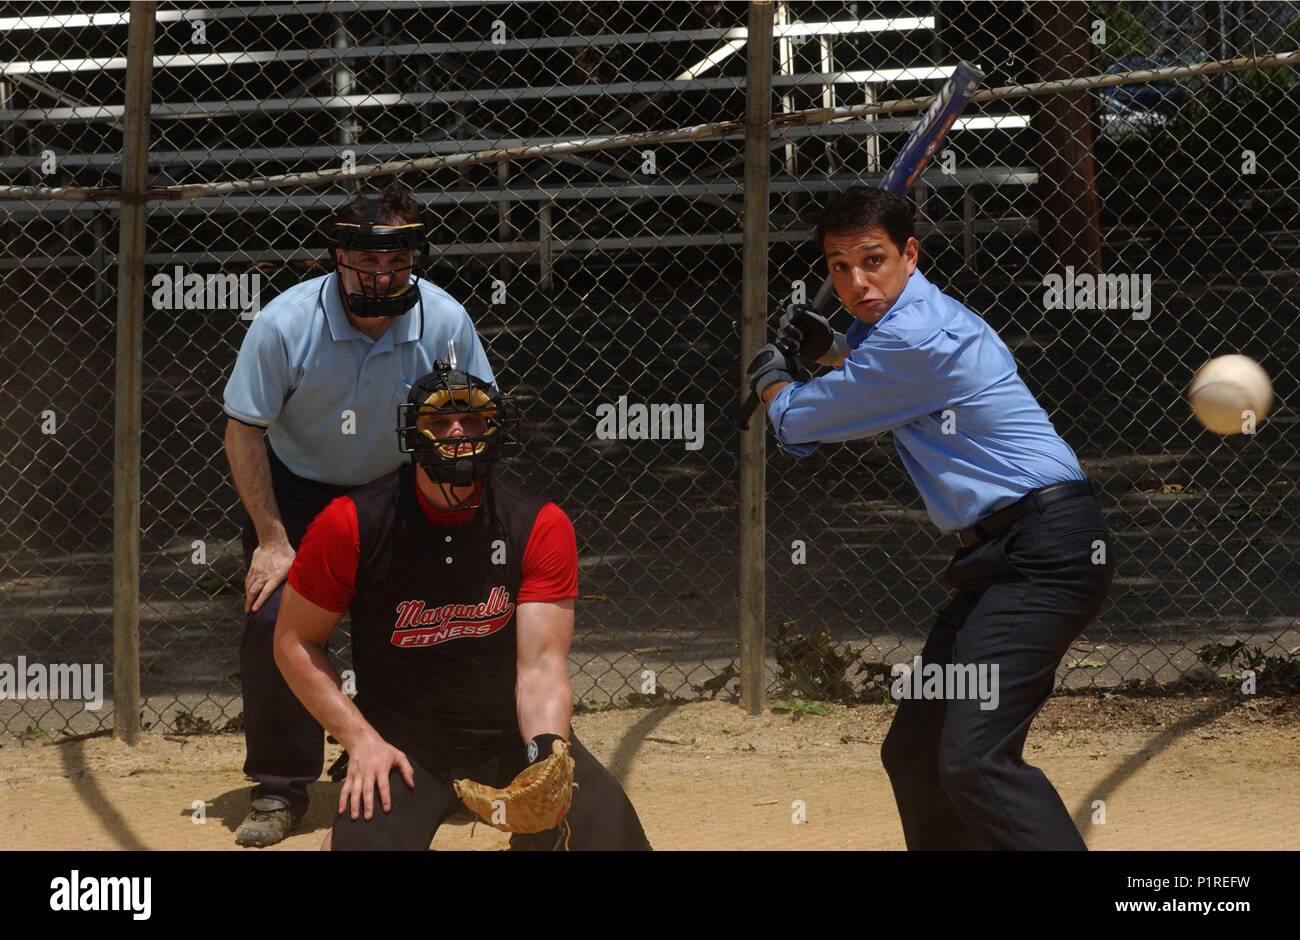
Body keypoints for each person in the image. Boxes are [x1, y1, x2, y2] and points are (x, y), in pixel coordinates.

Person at [745, 185, 1114, 850]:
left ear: (909, 254)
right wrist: (832, 354)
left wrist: (773, 376)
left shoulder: (917, 338)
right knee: (916, 752)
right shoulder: (917, 327)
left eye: (874, 259)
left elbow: (799, 422)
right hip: (1002, 556)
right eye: (838, 265)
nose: (858, 281)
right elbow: (887, 376)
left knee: (974, 759)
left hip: (1044, 553)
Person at [272, 365, 651, 851]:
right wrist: (359, 740)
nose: (458, 432)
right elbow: (293, 640)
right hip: (402, 748)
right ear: (413, 433)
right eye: (440, 421)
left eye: (474, 420)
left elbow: (540, 668)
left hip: (509, 737)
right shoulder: (352, 523)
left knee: (610, 838)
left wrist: (546, 754)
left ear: (497, 431)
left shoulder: (537, 524)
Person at [221, 182, 495, 846]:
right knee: (271, 621)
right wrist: (269, 538)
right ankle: (281, 785)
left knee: (432, 614)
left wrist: (453, 510)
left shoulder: (444, 320)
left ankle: (407, 758)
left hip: (401, 488)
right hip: (299, 493)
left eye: (397, 261)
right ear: (338, 255)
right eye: (368, 260)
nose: (383, 274)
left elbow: (475, 416)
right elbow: (244, 430)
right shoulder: (285, 324)